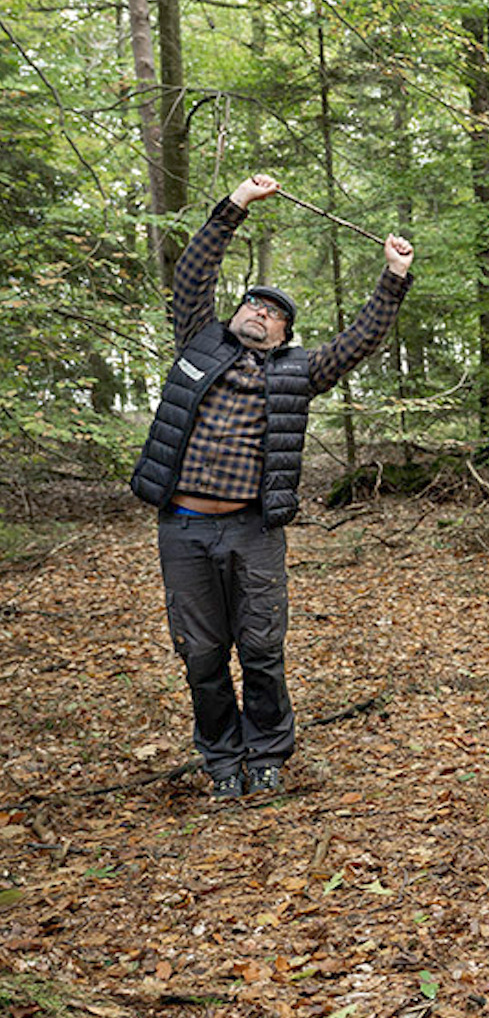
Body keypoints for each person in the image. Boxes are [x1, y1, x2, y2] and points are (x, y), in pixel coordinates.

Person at [131, 173, 415, 800]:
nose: (261, 312)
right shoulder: (199, 343)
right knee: (201, 653)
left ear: (285, 334)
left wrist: (393, 275)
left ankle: (266, 752)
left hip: (251, 530)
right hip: (181, 528)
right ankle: (221, 760)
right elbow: (193, 276)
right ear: (235, 316)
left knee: (261, 648)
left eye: (275, 312)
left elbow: (361, 339)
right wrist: (237, 203)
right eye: (254, 304)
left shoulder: (298, 372)